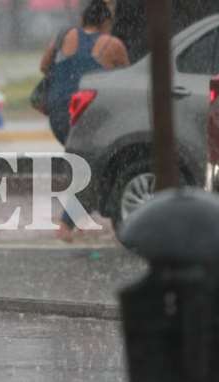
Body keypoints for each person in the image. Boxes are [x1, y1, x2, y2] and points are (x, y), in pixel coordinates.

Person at [39, 0, 129, 241]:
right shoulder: (113, 44)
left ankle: (78, 218)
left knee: (85, 165)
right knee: (93, 167)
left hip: (59, 115)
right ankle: (67, 224)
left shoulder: (64, 35)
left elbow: (44, 66)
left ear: (83, 19)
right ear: (106, 22)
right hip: (87, 115)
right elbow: (129, 79)